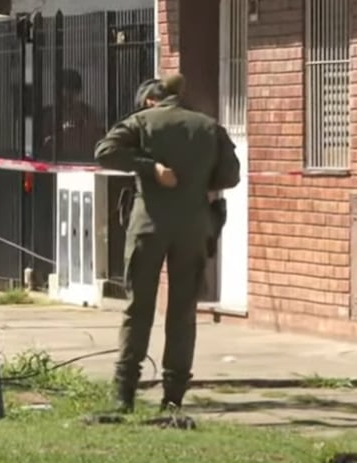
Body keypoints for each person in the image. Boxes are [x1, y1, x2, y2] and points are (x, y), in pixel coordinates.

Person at [94, 74, 241, 413]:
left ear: (150, 101)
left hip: (149, 225)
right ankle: (173, 396)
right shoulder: (208, 127)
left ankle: (124, 394)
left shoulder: (142, 122)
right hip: (194, 226)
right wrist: (198, 181)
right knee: (182, 312)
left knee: (138, 309)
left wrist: (149, 167)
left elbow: (105, 151)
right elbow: (230, 176)